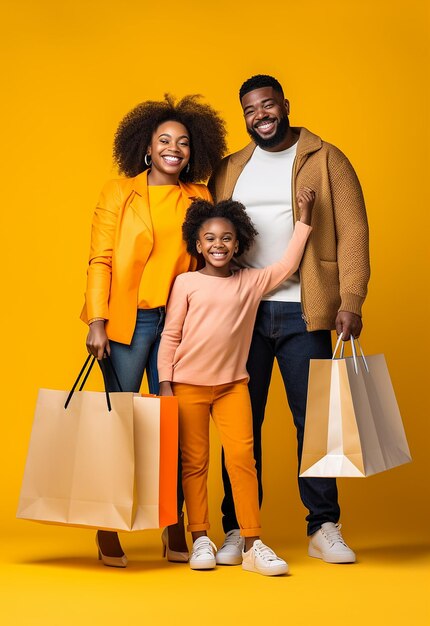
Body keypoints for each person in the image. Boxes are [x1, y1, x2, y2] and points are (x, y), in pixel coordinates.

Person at [209, 74, 370, 565]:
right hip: (242, 314)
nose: (261, 115)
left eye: (268, 105)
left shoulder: (327, 158)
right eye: (251, 110)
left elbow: (355, 231)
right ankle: (237, 528)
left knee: (315, 424)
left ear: (284, 105)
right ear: (245, 116)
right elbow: (211, 231)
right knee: (240, 424)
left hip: (306, 310)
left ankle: (323, 526)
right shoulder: (232, 166)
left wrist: (352, 299)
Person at [81, 94, 226, 567]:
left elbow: (212, 257)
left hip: (180, 325)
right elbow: (101, 258)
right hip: (129, 323)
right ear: (146, 146)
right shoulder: (117, 193)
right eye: (165, 140)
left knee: (174, 426)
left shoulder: (199, 196)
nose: (174, 149)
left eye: (183, 143)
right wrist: (98, 321)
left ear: (193, 151)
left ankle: (174, 526)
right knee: (120, 427)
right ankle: (108, 525)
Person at [157, 189, 313, 575]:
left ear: (239, 242)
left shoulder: (250, 282)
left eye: (226, 238)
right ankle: (200, 540)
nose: (218, 245)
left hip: (232, 387)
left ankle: (252, 543)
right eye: (209, 238)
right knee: (194, 464)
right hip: (187, 386)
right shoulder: (186, 283)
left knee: (243, 460)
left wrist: (305, 220)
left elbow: (288, 266)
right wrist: (165, 382)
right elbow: (170, 336)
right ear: (197, 243)